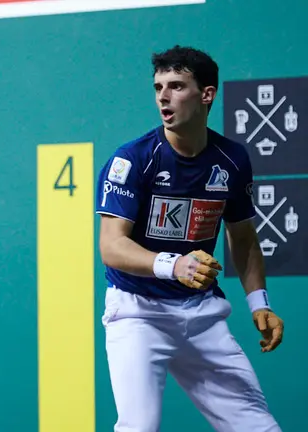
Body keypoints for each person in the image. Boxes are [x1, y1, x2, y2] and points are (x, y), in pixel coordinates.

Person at [95, 45, 284, 432]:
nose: (163, 97)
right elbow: (112, 247)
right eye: (158, 87)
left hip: (201, 315)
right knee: (139, 426)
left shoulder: (232, 160)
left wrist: (258, 303)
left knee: (257, 426)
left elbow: (243, 238)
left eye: (177, 86)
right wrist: (174, 265)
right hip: (138, 313)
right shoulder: (133, 160)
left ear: (207, 94)